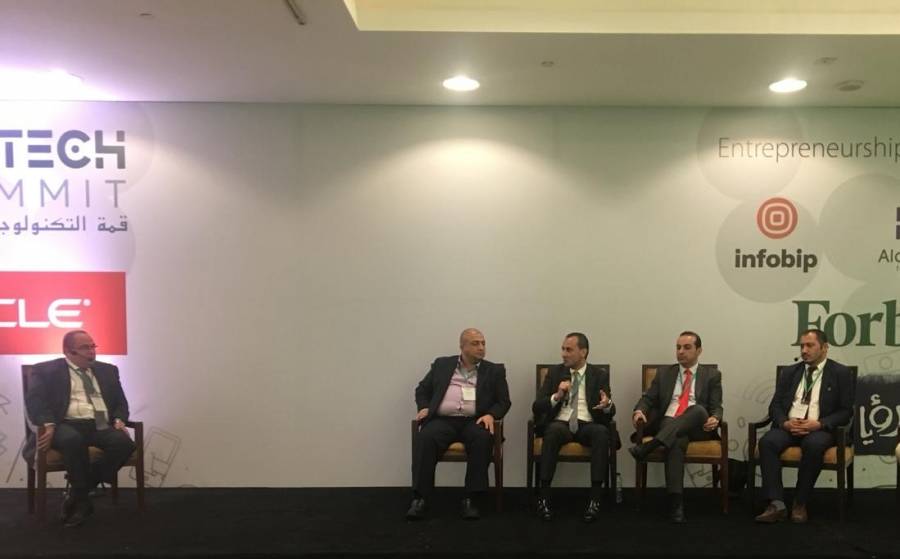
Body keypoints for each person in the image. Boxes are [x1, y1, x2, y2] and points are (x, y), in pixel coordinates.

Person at [23, 330, 136, 528]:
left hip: (98, 424)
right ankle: (83, 503)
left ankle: (77, 492)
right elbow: (35, 402)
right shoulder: (46, 370)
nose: (91, 351)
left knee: (124, 444)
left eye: (93, 346)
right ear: (68, 351)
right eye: (85, 348)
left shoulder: (108, 370)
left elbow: (121, 402)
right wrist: (48, 423)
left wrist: (119, 419)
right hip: (64, 423)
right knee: (72, 440)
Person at [407, 328, 511, 520]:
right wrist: (424, 407)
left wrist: (491, 415)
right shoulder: (442, 365)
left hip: (475, 420)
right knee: (425, 438)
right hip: (443, 420)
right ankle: (420, 498)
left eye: (483, 343)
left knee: (482, 439)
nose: (481, 347)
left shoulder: (494, 370)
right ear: (462, 346)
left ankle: (471, 498)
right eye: (475, 343)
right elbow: (422, 389)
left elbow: (504, 401)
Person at [754, 328, 853, 524]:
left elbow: (845, 411)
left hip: (819, 429)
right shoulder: (790, 372)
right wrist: (785, 422)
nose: (804, 350)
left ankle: (800, 502)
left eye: (810, 345)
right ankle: (776, 503)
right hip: (790, 427)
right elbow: (775, 406)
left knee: (814, 445)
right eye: (802, 346)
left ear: (824, 348)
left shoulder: (840, 373)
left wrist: (820, 424)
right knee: (767, 442)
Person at [629, 331, 723, 523]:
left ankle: (651, 445)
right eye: (678, 347)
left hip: (699, 426)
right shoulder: (665, 373)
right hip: (670, 422)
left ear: (699, 350)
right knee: (676, 440)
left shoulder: (712, 375)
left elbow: (716, 406)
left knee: (698, 410)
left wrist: (716, 417)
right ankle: (676, 504)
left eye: (686, 347)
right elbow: (648, 399)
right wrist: (639, 411)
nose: (681, 351)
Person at [531, 332, 615, 522]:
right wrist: (557, 396)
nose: (564, 354)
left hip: (588, 423)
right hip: (561, 422)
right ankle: (544, 497)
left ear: (583, 352)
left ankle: (595, 499)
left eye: (569, 350)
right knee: (552, 431)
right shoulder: (554, 373)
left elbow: (610, 409)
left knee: (601, 433)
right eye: (563, 349)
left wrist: (607, 404)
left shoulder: (599, 375)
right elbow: (537, 406)